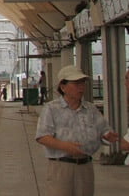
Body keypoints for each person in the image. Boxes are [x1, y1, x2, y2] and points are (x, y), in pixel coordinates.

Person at [35, 65, 129, 196]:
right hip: (61, 167)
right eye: (76, 83)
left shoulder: (91, 110)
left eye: (82, 83)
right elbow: (42, 136)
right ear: (63, 87)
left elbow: (104, 132)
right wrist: (66, 146)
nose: (81, 87)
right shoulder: (51, 109)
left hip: (85, 167)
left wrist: (107, 137)